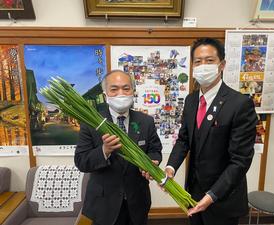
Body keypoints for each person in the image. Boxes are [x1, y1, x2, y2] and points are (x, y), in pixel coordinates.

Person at [165, 38, 258, 225]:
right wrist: (171, 167)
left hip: (222, 197)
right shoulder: (191, 101)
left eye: (209, 60)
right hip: (192, 194)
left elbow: (240, 161)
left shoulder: (239, 104)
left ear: (221, 64)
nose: (203, 66)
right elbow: (184, 139)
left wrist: (211, 196)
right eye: (198, 61)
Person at [75, 70, 162, 225]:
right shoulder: (91, 123)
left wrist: (153, 162)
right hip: (102, 205)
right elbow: (81, 161)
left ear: (133, 91)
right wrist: (104, 150)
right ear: (105, 93)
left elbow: (155, 151)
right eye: (114, 89)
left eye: (126, 88)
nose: (121, 93)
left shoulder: (146, 121)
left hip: (137, 202)